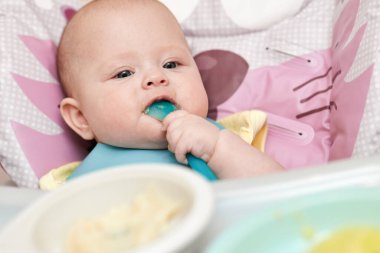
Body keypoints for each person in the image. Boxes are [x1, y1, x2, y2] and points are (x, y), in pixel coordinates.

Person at [55, 0, 283, 183]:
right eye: (124, 73)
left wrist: (218, 150)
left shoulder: (217, 140)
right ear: (81, 118)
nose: (156, 77)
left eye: (171, 64)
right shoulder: (83, 182)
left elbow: (281, 191)